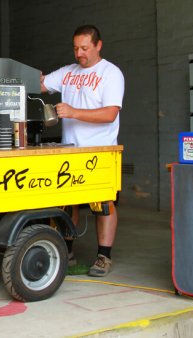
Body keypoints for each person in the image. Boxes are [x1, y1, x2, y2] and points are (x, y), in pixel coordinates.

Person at [40, 25, 125, 277]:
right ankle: (66, 251)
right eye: (76, 48)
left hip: (100, 152)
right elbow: (42, 84)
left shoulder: (111, 74)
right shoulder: (68, 72)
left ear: (98, 45)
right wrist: (28, 77)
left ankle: (104, 257)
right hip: (70, 151)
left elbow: (110, 114)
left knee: (103, 204)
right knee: (68, 203)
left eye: (85, 48)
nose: (80, 54)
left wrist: (73, 112)